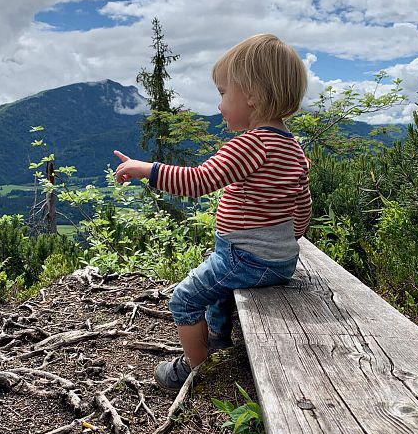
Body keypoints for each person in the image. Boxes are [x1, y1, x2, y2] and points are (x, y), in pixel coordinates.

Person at [114, 33, 311, 392]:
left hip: (246, 258)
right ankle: (218, 339)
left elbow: (199, 181)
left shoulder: (252, 144)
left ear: (252, 95)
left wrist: (146, 169)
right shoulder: (292, 147)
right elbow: (302, 204)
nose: (219, 105)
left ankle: (194, 368)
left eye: (223, 93)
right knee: (218, 286)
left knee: (184, 298)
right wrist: (289, 240)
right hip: (279, 260)